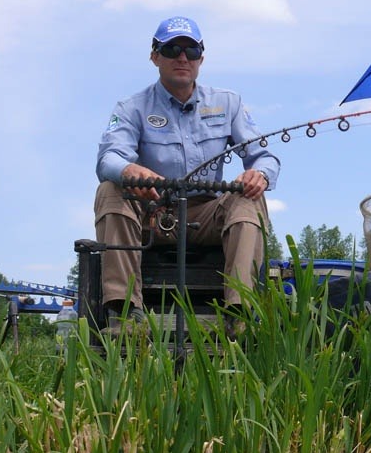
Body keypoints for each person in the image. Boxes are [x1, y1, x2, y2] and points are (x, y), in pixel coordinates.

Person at [95, 16, 279, 328]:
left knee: (248, 198)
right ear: (155, 56)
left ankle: (240, 314)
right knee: (111, 189)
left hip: (205, 215)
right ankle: (124, 312)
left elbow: (264, 156)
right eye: (172, 49)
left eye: (191, 51)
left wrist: (258, 174)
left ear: (201, 59)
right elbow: (107, 158)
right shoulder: (131, 107)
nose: (183, 57)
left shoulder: (229, 102)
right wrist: (129, 169)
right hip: (152, 215)